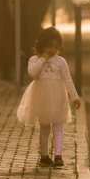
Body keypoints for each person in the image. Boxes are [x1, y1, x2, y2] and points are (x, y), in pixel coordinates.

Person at [17, 27, 81, 168]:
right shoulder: (34, 60)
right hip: (41, 98)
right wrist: (43, 59)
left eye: (55, 46)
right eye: (49, 46)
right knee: (44, 127)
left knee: (58, 126)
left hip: (58, 97)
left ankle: (58, 155)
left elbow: (68, 79)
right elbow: (32, 73)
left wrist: (75, 97)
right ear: (42, 45)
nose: (53, 49)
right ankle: (44, 156)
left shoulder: (61, 62)